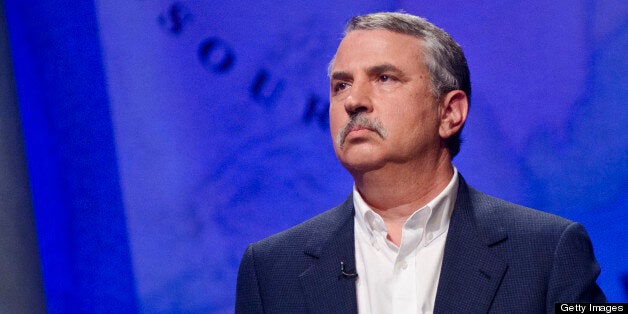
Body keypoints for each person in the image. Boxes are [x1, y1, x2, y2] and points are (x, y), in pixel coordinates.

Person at [235, 12, 606, 313]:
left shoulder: (547, 252)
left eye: (384, 78)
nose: (353, 102)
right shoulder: (270, 269)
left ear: (450, 113)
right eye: (341, 85)